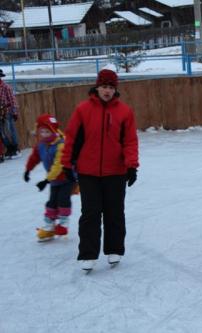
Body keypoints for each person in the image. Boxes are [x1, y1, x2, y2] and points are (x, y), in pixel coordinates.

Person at [61, 69, 139, 271]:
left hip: (116, 172)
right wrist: (66, 163)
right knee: (90, 213)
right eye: (104, 87)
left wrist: (131, 166)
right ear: (97, 87)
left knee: (114, 212)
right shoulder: (83, 110)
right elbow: (72, 138)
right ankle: (88, 254)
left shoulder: (124, 112)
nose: (107, 91)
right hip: (88, 172)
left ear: (115, 90)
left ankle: (115, 249)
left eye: (111, 87)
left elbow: (130, 141)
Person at [24, 114, 75, 241]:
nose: (44, 134)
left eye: (47, 131)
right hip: (54, 180)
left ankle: (63, 223)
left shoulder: (61, 144)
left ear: (53, 131)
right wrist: (28, 170)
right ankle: (49, 226)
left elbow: (59, 165)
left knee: (63, 199)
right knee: (52, 202)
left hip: (67, 177)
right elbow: (34, 157)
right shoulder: (41, 144)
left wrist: (46, 180)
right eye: (42, 131)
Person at [0, 68, 20, 159]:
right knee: (2, 132)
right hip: (0, 114)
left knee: (10, 130)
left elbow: (13, 101)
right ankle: (9, 148)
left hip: (7, 112)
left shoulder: (6, 87)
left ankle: (15, 148)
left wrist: (15, 112)